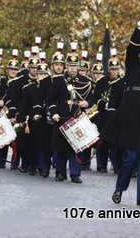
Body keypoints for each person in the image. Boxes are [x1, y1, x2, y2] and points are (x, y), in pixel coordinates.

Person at [101, 14, 140, 206]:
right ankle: (120, 189)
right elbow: (131, 48)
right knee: (131, 158)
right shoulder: (134, 65)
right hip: (134, 117)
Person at [48, 44, 93, 183]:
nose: (72, 68)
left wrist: (87, 104)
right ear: (66, 66)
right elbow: (51, 99)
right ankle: (60, 172)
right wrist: (54, 113)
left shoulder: (86, 81)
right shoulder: (58, 80)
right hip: (62, 116)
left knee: (76, 146)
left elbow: (92, 97)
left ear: (78, 66)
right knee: (61, 147)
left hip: (77, 117)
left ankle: (75, 173)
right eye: (70, 65)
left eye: (75, 65)